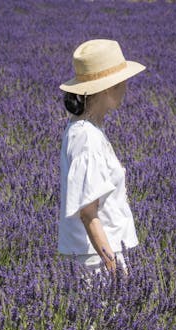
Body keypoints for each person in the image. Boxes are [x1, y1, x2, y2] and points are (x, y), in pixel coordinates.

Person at [57, 39, 145, 280]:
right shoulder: (87, 138)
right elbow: (88, 213)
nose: (126, 86)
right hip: (97, 262)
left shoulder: (83, 128)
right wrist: (113, 267)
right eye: (122, 81)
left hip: (100, 255)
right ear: (107, 87)